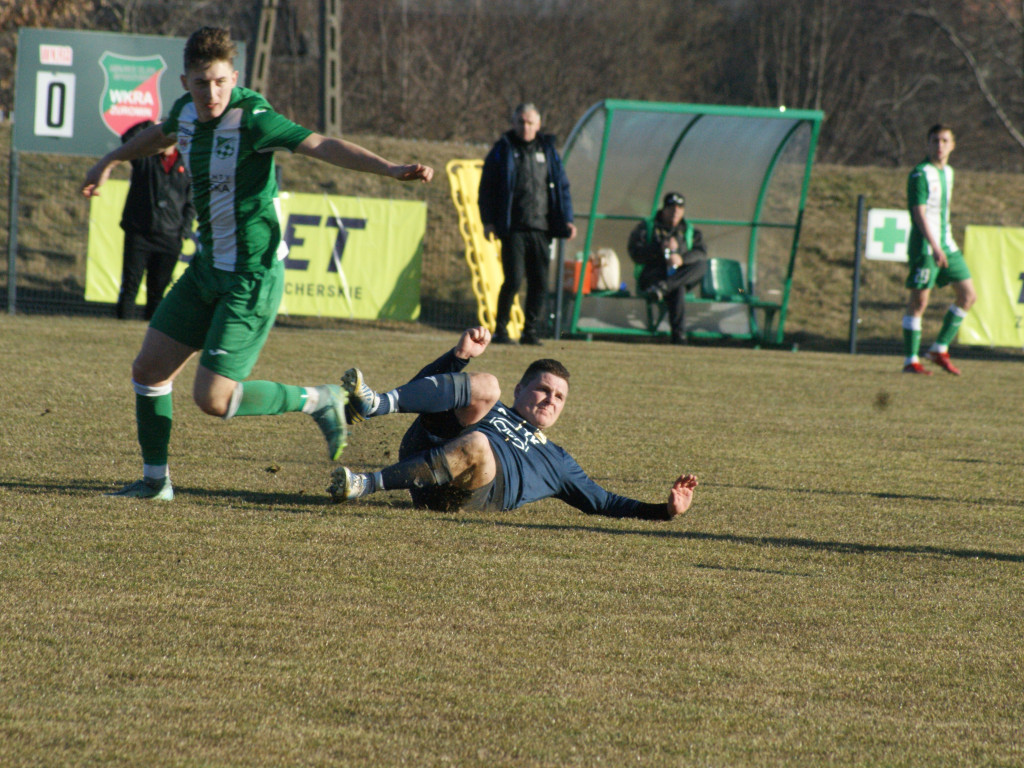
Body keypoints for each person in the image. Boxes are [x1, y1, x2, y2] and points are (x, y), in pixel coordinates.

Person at [80, 26, 434, 500]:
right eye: (202, 83)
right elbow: (157, 137)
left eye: (221, 82)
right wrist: (108, 161)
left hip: (252, 276)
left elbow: (322, 144)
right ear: (185, 82)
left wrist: (389, 168)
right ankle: (155, 481)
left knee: (213, 399)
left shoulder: (255, 119)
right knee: (148, 371)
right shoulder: (186, 114)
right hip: (207, 268)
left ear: (235, 77)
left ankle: (320, 399)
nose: (212, 93)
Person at [328, 326, 698, 520]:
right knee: (486, 385)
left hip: (466, 495)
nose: (550, 400)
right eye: (542, 389)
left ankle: (365, 484)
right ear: (522, 389)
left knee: (479, 445)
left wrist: (664, 511)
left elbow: (604, 503)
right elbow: (430, 394)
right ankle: (377, 403)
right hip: (425, 452)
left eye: (559, 397)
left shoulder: (558, 461)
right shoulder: (495, 406)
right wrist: (458, 357)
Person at [478, 103, 577, 346]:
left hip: (542, 228)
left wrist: (568, 219)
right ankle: (500, 331)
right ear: (513, 123)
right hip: (513, 228)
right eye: (521, 122)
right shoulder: (503, 150)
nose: (525, 126)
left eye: (530, 122)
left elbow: (562, 187)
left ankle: (530, 331)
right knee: (513, 279)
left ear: (538, 124)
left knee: (540, 282)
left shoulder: (548, 150)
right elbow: (487, 188)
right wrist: (489, 221)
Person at [901, 124, 976, 375]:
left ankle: (939, 348)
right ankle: (910, 360)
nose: (939, 145)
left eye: (945, 141)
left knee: (968, 295)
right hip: (926, 245)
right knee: (919, 301)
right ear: (927, 144)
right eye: (935, 141)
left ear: (953, 145)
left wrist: (943, 245)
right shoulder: (920, 174)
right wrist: (933, 246)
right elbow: (918, 213)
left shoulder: (949, 173)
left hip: (947, 243)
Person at [115, 119, 195, 321]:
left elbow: (191, 203)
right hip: (140, 234)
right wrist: (150, 124)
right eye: (164, 133)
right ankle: (120, 329)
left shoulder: (186, 162)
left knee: (157, 292)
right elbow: (127, 139)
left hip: (170, 237)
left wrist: (183, 232)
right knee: (130, 286)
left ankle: (151, 332)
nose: (168, 139)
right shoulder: (145, 158)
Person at [627, 192, 707, 345]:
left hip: (676, 275)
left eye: (679, 207)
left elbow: (701, 253)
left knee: (701, 266)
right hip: (653, 276)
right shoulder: (647, 227)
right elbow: (635, 252)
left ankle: (664, 287)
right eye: (671, 207)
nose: (675, 211)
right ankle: (679, 338)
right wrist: (659, 249)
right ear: (664, 209)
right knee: (678, 287)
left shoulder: (690, 231)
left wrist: (681, 258)